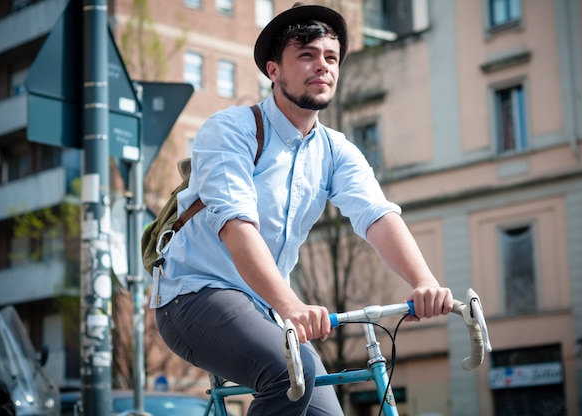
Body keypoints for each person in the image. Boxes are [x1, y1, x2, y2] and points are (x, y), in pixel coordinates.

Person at [151, 3, 453, 415]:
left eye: (331, 58)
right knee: (289, 377)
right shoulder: (231, 129)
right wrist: (291, 306)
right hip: (195, 296)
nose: (322, 66)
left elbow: (377, 216)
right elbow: (236, 227)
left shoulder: (336, 150)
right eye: (306, 55)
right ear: (273, 70)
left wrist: (423, 282)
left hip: (265, 308)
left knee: (323, 409)